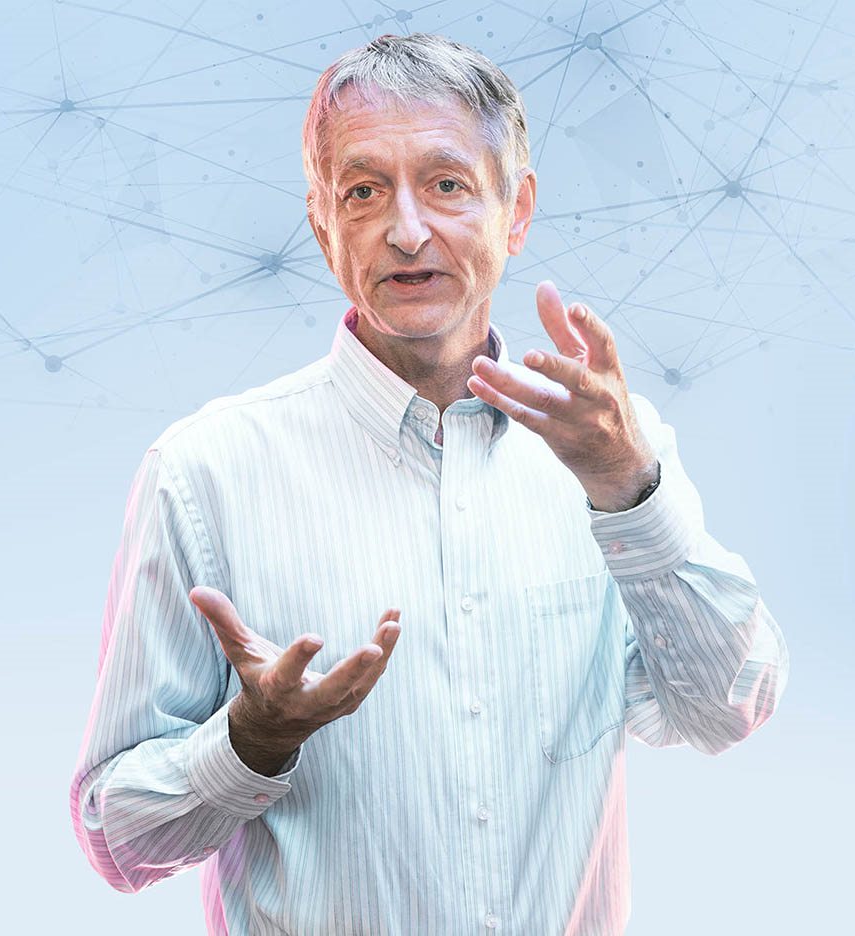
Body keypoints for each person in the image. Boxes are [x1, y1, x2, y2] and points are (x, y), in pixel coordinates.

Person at [69, 32, 789, 935]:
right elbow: (115, 839)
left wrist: (628, 486)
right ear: (321, 222)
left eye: (447, 185)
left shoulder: (611, 450)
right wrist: (250, 743)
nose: (407, 231)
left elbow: (727, 711)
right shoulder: (203, 472)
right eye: (364, 191)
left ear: (516, 210)